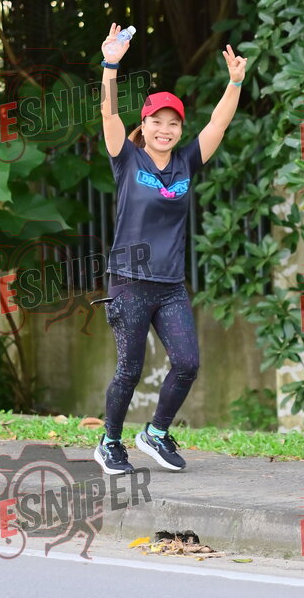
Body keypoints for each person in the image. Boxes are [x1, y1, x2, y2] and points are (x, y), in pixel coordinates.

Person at [93, 23, 247, 475]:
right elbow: (108, 115)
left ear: (180, 129)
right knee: (129, 370)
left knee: (187, 363)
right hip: (129, 281)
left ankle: (156, 433)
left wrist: (235, 82)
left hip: (170, 285)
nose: (165, 129)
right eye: (157, 122)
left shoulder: (186, 162)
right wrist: (110, 66)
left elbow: (219, 122)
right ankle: (110, 442)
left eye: (173, 123)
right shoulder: (127, 159)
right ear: (144, 126)